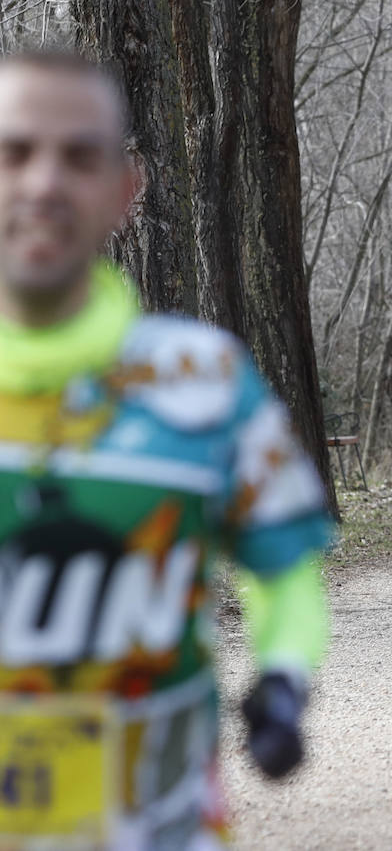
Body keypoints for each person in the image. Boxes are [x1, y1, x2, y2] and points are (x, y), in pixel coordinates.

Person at [0, 50, 331, 849]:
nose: (43, 183)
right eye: (14, 152)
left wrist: (283, 680)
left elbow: (284, 572)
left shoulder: (206, 381)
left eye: (79, 157)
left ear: (126, 190)